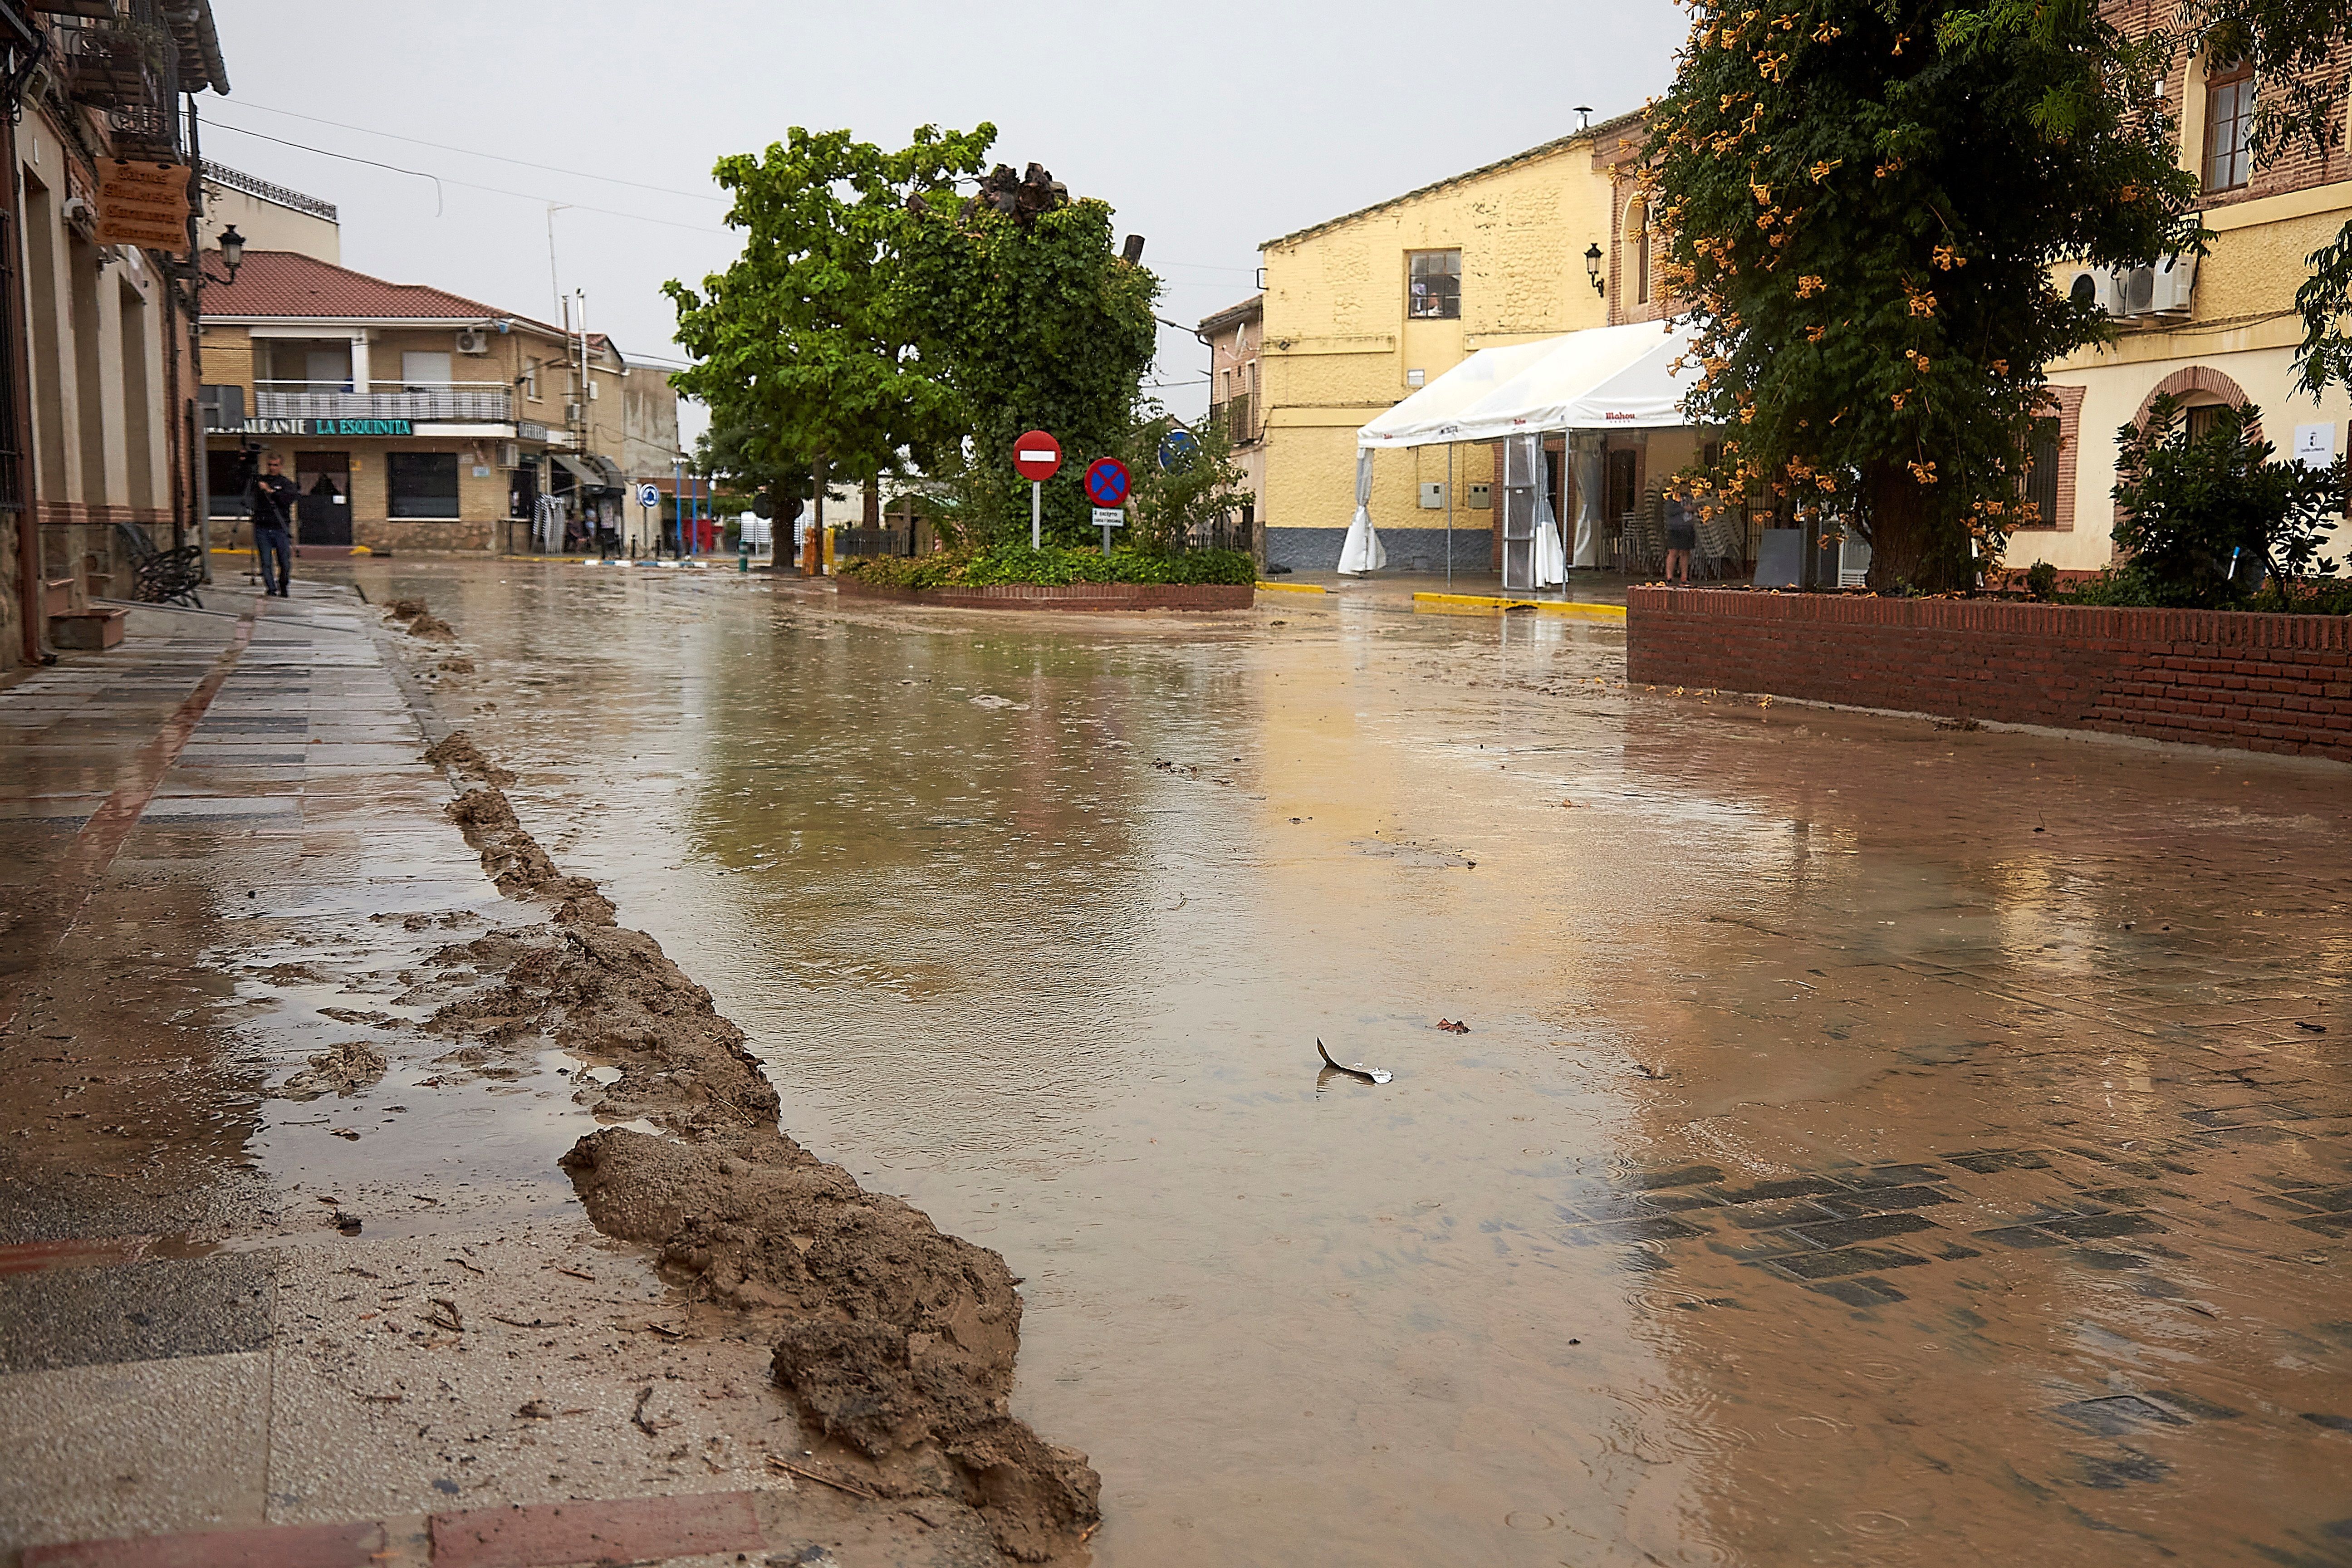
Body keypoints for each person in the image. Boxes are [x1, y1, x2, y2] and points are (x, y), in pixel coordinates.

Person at [246, 450, 299, 597]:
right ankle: (271, 588)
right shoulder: (260, 481)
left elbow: (287, 499)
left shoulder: (286, 484)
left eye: (275, 465)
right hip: (262, 527)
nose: (272, 468)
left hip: (280, 528)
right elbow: (243, 487)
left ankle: (284, 585)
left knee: (284, 562)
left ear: (281, 466)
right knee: (266, 562)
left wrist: (270, 491)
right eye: (270, 465)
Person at [1662, 484, 1695, 585]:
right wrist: (1685, 509)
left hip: (1688, 527)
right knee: (1673, 552)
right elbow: (1670, 511)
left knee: (1685, 552)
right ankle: (1669, 577)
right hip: (1675, 528)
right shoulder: (1672, 498)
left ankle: (1684, 577)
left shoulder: (1690, 497)